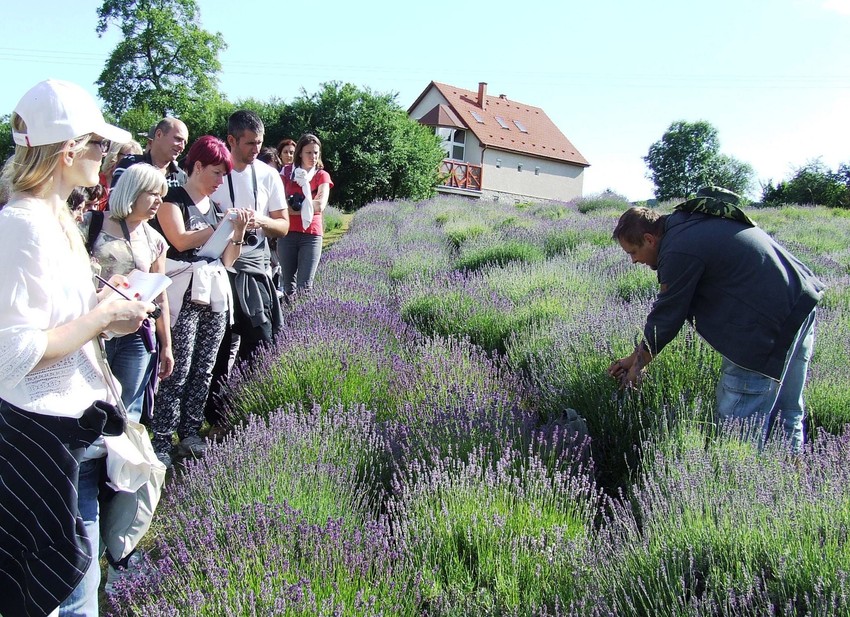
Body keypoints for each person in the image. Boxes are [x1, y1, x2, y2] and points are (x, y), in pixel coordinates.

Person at [0, 79, 153, 617]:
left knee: (76, 591)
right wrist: (102, 316)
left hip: (74, 433)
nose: (104, 158)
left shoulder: (55, 219)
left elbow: (65, 324)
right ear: (68, 150)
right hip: (44, 440)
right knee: (58, 594)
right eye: (98, 146)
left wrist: (107, 321)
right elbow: (11, 354)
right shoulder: (22, 226)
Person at [607, 186, 825, 451]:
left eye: (633, 252)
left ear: (650, 239)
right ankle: (794, 479)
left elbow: (667, 315)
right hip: (799, 305)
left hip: (760, 328)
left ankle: (740, 485)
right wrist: (634, 358)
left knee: (737, 428)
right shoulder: (688, 225)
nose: (633, 261)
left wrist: (638, 367)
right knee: (786, 413)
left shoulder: (678, 249)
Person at [152, 135, 251, 467]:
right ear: (197, 167)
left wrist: (235, 231)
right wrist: (218, 227)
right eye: (216, 173)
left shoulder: (218, 209)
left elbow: (228, 260)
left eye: (224, 175)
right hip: (182, 294)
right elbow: (178, 240)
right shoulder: (173, 200)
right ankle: (161, 438)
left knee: (204, 368)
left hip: (213, 294)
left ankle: (190, 431)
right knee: (176, 368)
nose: (220, 181)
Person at [206, 110, 288, 432]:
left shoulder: (268, 175)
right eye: (250, 143)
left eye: (260, 143)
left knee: (261, 341)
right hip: (220, 268)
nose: (256, 149)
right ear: (231, 141)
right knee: (219, 346)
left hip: (256, 269)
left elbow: (282, 225)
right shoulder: (215, 173)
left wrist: (259, 220)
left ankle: (243, 407)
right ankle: (215, 414)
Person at [81, 163, 174, 423]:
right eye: (153, 193)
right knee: (90, 402)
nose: (159, 201)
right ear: (133, 191)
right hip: (95, 330)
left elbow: (161, 297)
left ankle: (121, 463)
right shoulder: (92, 224)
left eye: (162, 195)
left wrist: (166, 346)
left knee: (127, 409)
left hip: (137, 334)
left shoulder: (155, 240)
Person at [277, 133, 333, 299]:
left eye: (316, 153)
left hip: (312, 234)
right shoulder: (286, 172)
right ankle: (287, 322)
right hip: (288, 233)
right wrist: (307, 206)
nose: (313, 157)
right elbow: (278, 204)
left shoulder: (321, 175)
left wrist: (293, 207)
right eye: (309, 152)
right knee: (288, 285)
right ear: (300, 153)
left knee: (305, 286)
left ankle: (301, 322)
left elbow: (320, 205)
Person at [111, 117, 188, 188]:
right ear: (159, 135)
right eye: (178, 139)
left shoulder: (181, 176)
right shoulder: (130, 164)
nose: (182, 147)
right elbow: (116, 201)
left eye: (185, 143)